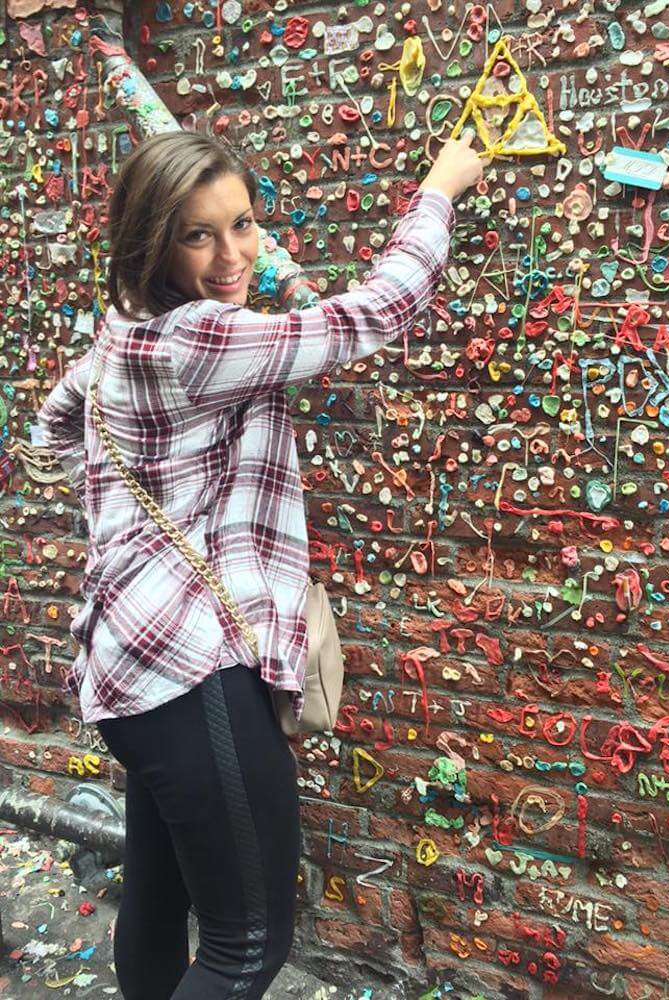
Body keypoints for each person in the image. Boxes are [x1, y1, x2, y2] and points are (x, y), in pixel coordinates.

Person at [37, 128, 483, 999]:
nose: (232, 253)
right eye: (197, 235)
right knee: (246, 949)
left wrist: (144, 507)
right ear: (151, 241)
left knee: (160, 904)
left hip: (131, 664)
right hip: (192, 670)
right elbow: (376, 312)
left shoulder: (123, 335)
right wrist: (441, 186)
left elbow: (53, 429)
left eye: (242, 225)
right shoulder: (202, 342)